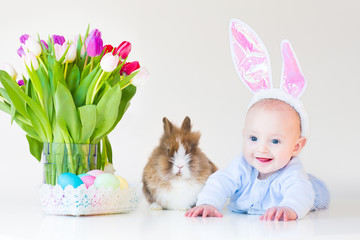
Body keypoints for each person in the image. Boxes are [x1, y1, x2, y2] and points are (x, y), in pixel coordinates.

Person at [185, 18, 329, 221]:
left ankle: (316, 184)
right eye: (253, 138)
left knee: (313, 189)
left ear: (296, 147)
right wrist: (208, 203)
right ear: (243, 135)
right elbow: (221, 182)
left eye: (275, 141)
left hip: (313, 189)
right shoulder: (243, 164)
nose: (261, 149)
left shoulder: (291, 172)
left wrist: (289, 209)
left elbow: (301, 193)